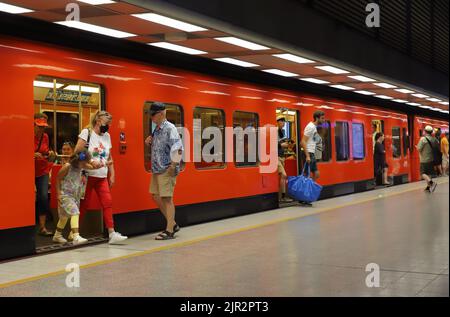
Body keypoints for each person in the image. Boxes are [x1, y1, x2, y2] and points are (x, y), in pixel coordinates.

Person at [74, 110, 128, 244]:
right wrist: (91, 162)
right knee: (83, 205)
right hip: (86, 175)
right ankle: (74, 233)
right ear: (98, 121)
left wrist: (112, 173)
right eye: (107, 123)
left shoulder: (107, 136)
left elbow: (109, 156)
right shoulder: (87, 133)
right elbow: (77, 152)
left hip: (102, 176)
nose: (108, 126)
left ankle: (112, 233)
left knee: (107, 202)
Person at [145, 102, 184, 240]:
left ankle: (169, 231)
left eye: (153, 115)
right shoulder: (157, 129)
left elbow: (178, 148)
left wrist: (173, 166)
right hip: (157, 168)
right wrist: (149, 141)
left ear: (161, 113)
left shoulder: (170, 128)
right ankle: (172, 223)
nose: (151, 118)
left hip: (167, 168)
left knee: (167, 198)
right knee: (155, 195)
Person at [53, 150, 102, 245]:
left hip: (75, 196)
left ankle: (57, 235)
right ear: (78, 160)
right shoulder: (67, 166)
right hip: (65, 195)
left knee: (64, 217)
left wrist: (100, 164)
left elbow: (92, 167)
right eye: (84, 162)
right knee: (75, 212)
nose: (85, 164)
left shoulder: (81, 165)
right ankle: (75, 236)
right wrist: (58, 194)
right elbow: (58, 179)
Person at [34, 113, 56, 236]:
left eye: (43, 127)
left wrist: (51, 153)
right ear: (33, 125)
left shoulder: (46, 137)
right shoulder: (27, 135)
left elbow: (46, 151)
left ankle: (42, 227)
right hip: (29, 171)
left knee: (43, 197)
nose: (41, 129)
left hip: (43, 170)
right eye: (39, 126)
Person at [300, 110, 326, 206]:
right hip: (308, 154)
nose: (324, 120)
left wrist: (320, 144)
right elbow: (302, 142)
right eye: (322, 118)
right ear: (317, 118)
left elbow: (313, 140)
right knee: (306, 176)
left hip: (312, 153)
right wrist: (307, 155)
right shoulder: (310, 127)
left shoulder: (314, 127)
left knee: (316, 174)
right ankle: (304, 197)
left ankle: (308, 194)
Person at [416, 125, 438, 192]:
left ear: (425, 131)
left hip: (424, 159)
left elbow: (419, 148)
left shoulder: (423, 139)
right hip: (432, 159)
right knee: (428, 174)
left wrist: (416, 147)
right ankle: (428, 187)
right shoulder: (434, 139)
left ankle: (432, 183)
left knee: (422, 173)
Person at [276, 117, 293, 203]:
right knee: (284, 175)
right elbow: (272, 144)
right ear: (277, 122)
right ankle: (282, 197)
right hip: (276, 156)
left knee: (282, 177)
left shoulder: (283, 132)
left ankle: (280, 196)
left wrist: (288, 143)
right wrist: (281, 145)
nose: (283, 123)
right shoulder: (274, 131)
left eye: (284, 121)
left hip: (282, 156)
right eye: (281, 121)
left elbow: (283, 142)